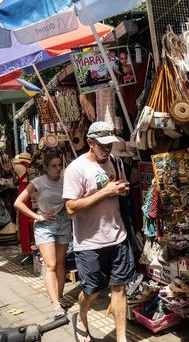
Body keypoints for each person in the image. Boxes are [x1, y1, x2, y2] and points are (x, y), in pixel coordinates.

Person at [62, 121, 140, 342]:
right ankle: (82, 313)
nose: (107, 149)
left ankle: (122, 338)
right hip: (90, 243)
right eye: (102, 145)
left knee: (119, 289)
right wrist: (105, 192)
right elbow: (70, 208)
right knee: (92, 290)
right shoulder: (76, 169)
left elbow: (120, 188)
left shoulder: (115, 162)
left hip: (118, 236)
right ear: (90, 142)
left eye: (110, 145)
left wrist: (121, 189)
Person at [14, 151, 72, 319]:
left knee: (61, 264)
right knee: (51, 265)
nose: (58, 169)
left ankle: (59, 298)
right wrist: (37, 216)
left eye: (60, 165)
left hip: (63, 222)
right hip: (45, 225)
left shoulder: (65, 181)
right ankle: (55, 305)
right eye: (54, 166)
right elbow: (18, 203)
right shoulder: (38, 182)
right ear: (45, 168)